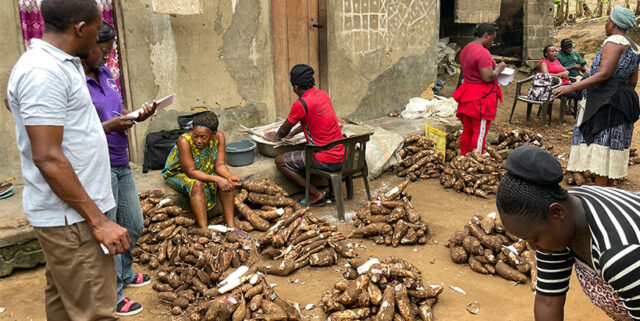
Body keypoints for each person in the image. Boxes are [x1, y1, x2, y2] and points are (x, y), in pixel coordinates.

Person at [6, 0, 130, 320]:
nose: (99, 38)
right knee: (95, 311)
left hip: (73, 216)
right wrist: (99, 221)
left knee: (65, 304)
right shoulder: (42, 70)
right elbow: (47, 156)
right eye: (95, 27)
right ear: (80, 28)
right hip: (72, 219)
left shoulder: (60, 62)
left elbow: (16, 102)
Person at [496, 146, 640, 321]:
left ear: (556, 212)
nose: (533, 248)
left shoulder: (621, 254)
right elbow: (548, 300)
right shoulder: (561, 219)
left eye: (534, 239)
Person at [82, 21, 157, 316]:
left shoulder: (106, 74)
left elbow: (118, 111)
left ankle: (125, 274)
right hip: (98, 165)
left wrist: (136, 115)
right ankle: (113, 295)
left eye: (110, 49)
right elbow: (77, 132)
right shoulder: (75, 82)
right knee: (109, 231)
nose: (107, 55)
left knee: (133, 224)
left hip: (120, 160)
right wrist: (109, 126)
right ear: (87, 45)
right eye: (104, 49)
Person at [554, 7, 640, 187]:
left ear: (614, 23)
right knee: (611, 149)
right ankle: (609, 190)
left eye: (608, 20)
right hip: (623, 100)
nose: (607, 24)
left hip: (604, 103)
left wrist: (571, 87)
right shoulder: (634, 47)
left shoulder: (614, 41)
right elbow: (632, 81)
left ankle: (600, 194)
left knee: (601, 146)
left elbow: (604, 74)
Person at [265, 64, 344, 206]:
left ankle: (315, 194)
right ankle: (332, 192)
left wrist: (276, 136)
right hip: (341, 154)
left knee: (280, 161)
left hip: (324, 159)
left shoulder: (301, 104)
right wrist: (292, 134)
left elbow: (282, 131)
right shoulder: (323, 95)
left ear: (295, 87)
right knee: (326, 144)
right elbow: (310, 121)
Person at [162, 111, 246, 236]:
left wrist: (228, 176)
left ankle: (231, 226)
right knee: (196, 185)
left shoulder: (219, 137)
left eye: (203, 137)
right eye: (195, 135)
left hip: (204, 170)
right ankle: (205, 229)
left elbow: (220, 165)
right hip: (178, 173)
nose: (198, 140)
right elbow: (191, 172)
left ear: (213, 134)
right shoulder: (184, 141)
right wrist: (217, 179)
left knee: (226, 183)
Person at [453, 23, 505, 155]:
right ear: (486, 35)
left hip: (467, 94)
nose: (492, 42)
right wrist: (499, 68)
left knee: (467, 131)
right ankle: (477, 161)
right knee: (480, 132)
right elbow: (487, 77)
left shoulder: (466, 49)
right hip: (481, 98)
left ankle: (464, 157)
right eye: (492, 39)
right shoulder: (483, 53)